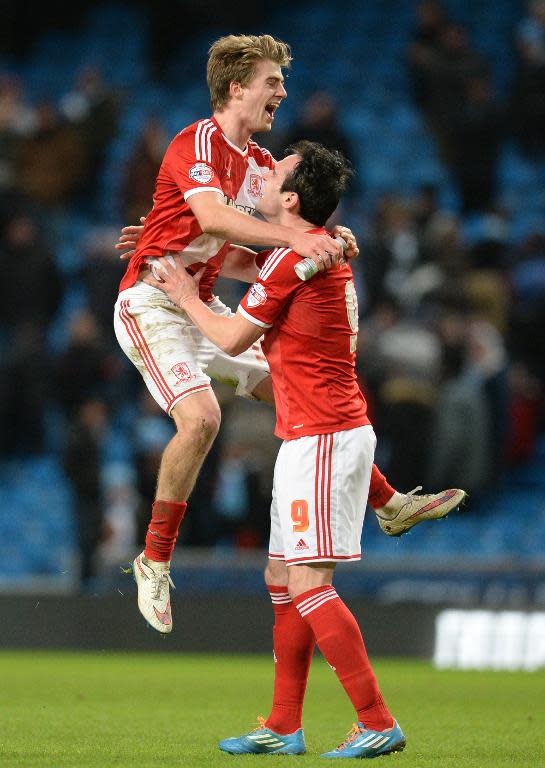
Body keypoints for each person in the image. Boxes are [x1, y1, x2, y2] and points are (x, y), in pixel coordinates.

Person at [114, 34, 466, 635]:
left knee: (296, 389)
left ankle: (388, 504)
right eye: (272, 81)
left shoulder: (256, 166)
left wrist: (326, 242)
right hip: (151, 303)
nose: (282, 91)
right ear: (236, 88)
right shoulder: (194, 141)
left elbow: (244, 243)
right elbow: (214, 219)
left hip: (197, 297)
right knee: (202, 419)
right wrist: (296, 242)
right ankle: (154, 559)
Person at [143, 141, 407, 757]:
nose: (264, 171)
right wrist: (175, 240)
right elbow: (242, 254)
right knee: (281, 579)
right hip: (306, 436)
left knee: (311, 584)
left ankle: (375, 719)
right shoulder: (306, 250)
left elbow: (233, 338)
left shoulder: (297, 260)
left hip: (324, 438)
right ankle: (284, 724)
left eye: (277, 169)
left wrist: (183, 294)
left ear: (290, 198)